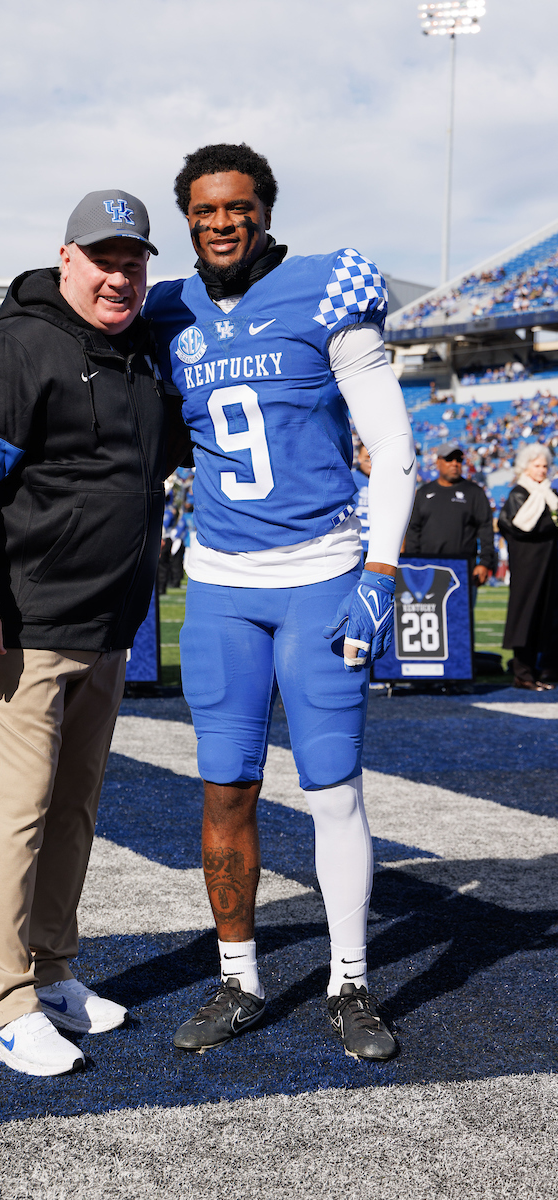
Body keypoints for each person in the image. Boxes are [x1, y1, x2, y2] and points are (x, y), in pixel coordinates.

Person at [145, 142, 416, 1061]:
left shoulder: (327, 287)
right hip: (221, 583)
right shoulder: (166, 309)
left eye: (239, 205)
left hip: (322, 573)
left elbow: (394, 443)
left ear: (263, 208)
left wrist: (379, 576)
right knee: (226, 789)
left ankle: (349, 983)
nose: (222, 221)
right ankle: (240, 981)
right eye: (206, 209)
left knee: (332, 787)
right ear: (187, 216)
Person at [0, 189, 185, 1078]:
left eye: (135, 260)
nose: (120, 275)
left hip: (107, 631)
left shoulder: (141, 357)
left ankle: (53, 972)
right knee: (19, 817)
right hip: (27, 630)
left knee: (74, 812)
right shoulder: (20, 344)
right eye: (104, 257)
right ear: (65, 257)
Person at [498, 443, 558, 690]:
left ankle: (537, 670)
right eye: (537, 465)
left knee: (545, 617)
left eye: (545, 465)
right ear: (526, 467)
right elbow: (515, 525)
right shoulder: (519, 493)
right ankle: (522, 672)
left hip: (549, 565)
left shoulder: (549, 494)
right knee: (526, 615)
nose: (542, 470)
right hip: (527, 566)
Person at [405, 442, 494, 594]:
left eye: (458, 460)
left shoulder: (475, 493)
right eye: (449, 459)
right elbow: (413, 530)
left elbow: (486, 530)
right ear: (438, 462)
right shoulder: (423, 493)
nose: (454, 463)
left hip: (463, 569)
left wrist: (485, 563)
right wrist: (413, 564)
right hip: (428, 569)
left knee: (461, 616)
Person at [352, 442, 371, 557]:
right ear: (359, 458)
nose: (370, 463)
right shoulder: (351, 478)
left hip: (379, 549)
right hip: (356, 547)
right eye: (367, 458)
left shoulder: (388, 481)